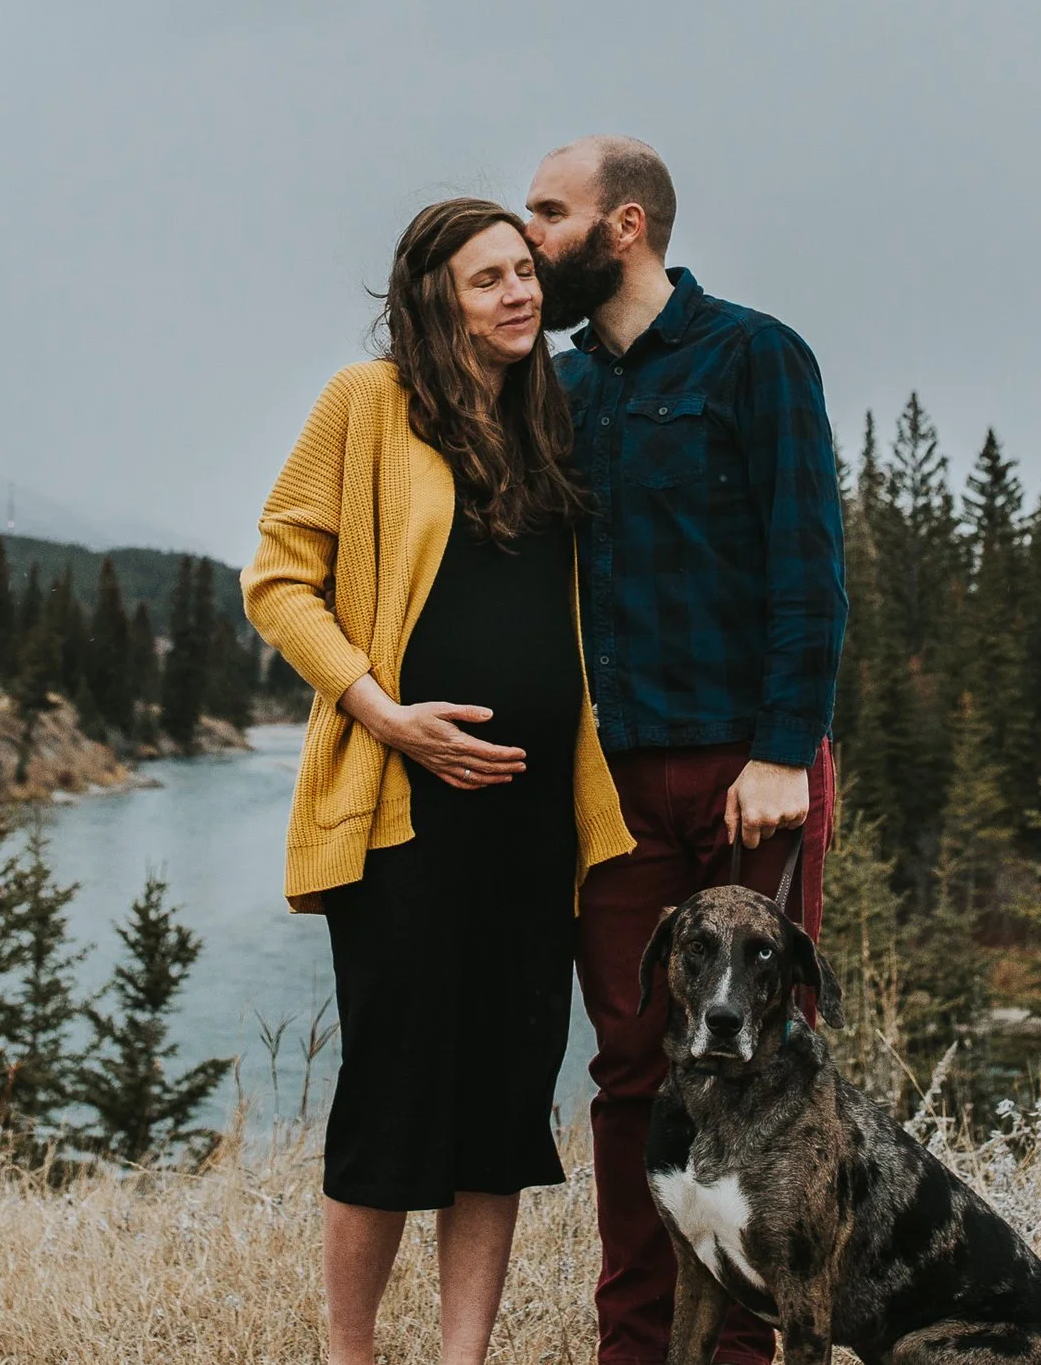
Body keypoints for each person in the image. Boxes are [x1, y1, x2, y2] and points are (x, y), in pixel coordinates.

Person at [242, 198, 636, 1365]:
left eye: (524, 272)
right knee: (394, 1089)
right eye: (487, 279)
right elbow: (277, 576)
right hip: (405, 814)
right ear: (433, 296)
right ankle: (350, 1352)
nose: (518, 293)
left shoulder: (549, 417)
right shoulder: (364, 403)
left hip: (531, 821)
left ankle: (463, 1356)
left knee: (505, 1096)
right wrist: (385, 713)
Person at [523, 136, 849, 1365]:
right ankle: (636, 1345)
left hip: (741, 779)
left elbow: (808, 566)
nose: (528, 234)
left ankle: (743, 1348)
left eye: (547, 212)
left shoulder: (753, 354)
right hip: (603, 788)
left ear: (624, 225)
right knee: (627, 1069)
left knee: (752, 1061)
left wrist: (782, 751)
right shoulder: (554, 388)